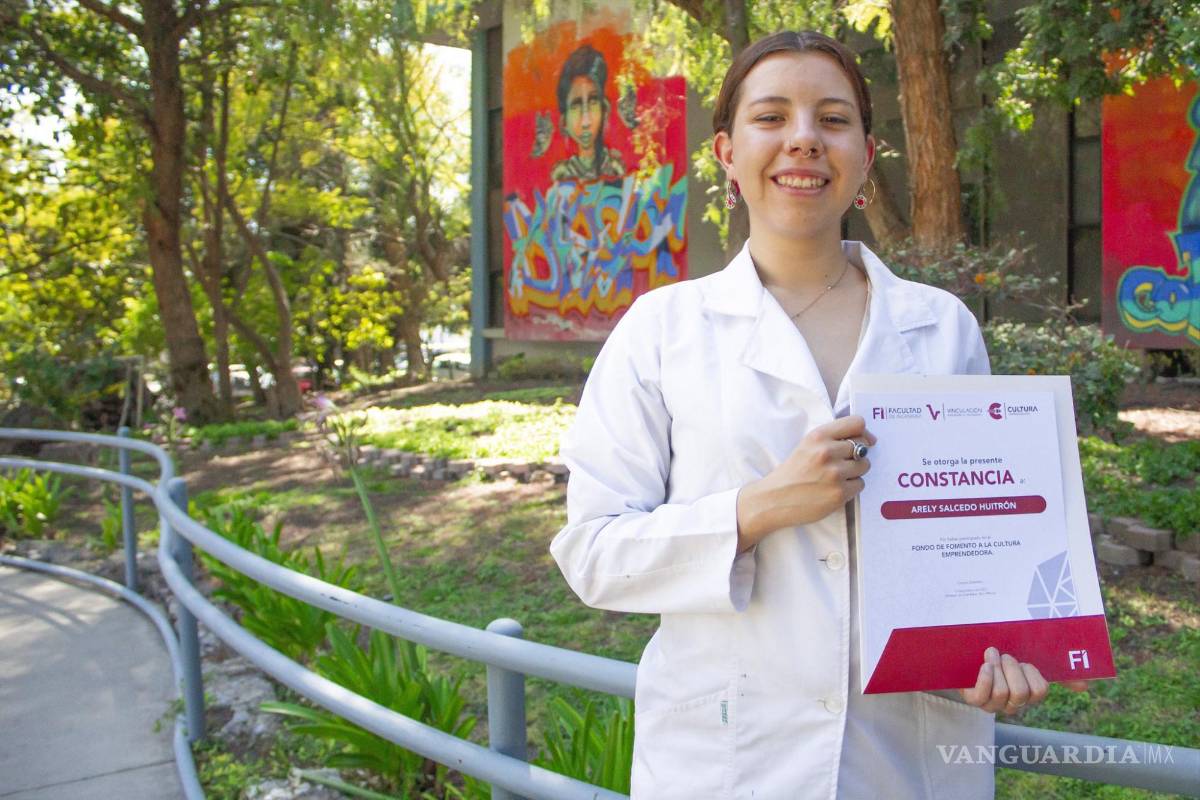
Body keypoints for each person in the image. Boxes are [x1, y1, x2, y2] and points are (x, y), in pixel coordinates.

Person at [550, 30, 1085, 800]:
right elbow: (593, 552)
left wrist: (987, 653)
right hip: (729, 761)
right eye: (772, 117)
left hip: (908, 757)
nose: (804, 139)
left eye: (833, 119)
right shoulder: (661, 331)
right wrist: (756, 509)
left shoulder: (941, 327)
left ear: (867, 154)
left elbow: (979, 547)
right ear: (727, 155)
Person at [550, 44, 626, 182]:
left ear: (605, 110)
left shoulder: (616, 169)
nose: (586, 122)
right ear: (564, 122)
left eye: (593, 102)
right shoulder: (562, 175)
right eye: (575, 106)